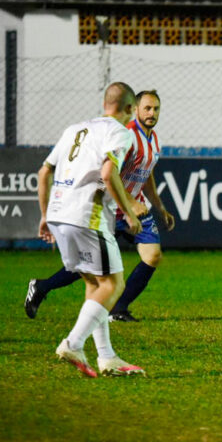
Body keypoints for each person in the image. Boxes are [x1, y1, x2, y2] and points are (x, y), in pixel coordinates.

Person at [25, 90, 175, 322]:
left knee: (152, 255)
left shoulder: (154, 140)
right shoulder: (126, 136)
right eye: (147, 108)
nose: (151, 113)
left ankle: (119, 309)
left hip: (137, 209)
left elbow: (147, 175)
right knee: (88, 266)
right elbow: (109, 173)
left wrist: (160, 207)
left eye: (155, 108)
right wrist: (130, 203)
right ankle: (42, 286)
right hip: (110, 208)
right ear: (135, 109)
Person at [37, 82, 145, 377]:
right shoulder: (121, 132)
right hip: (87, 215)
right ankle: (73, 342)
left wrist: (45, 215)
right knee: (113, 285)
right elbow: (109, 174)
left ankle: (107, 357)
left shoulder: (75, 128)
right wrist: (130, 210)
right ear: (129, 109)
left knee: (94, 285)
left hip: (60, 214)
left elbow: (44, 170)